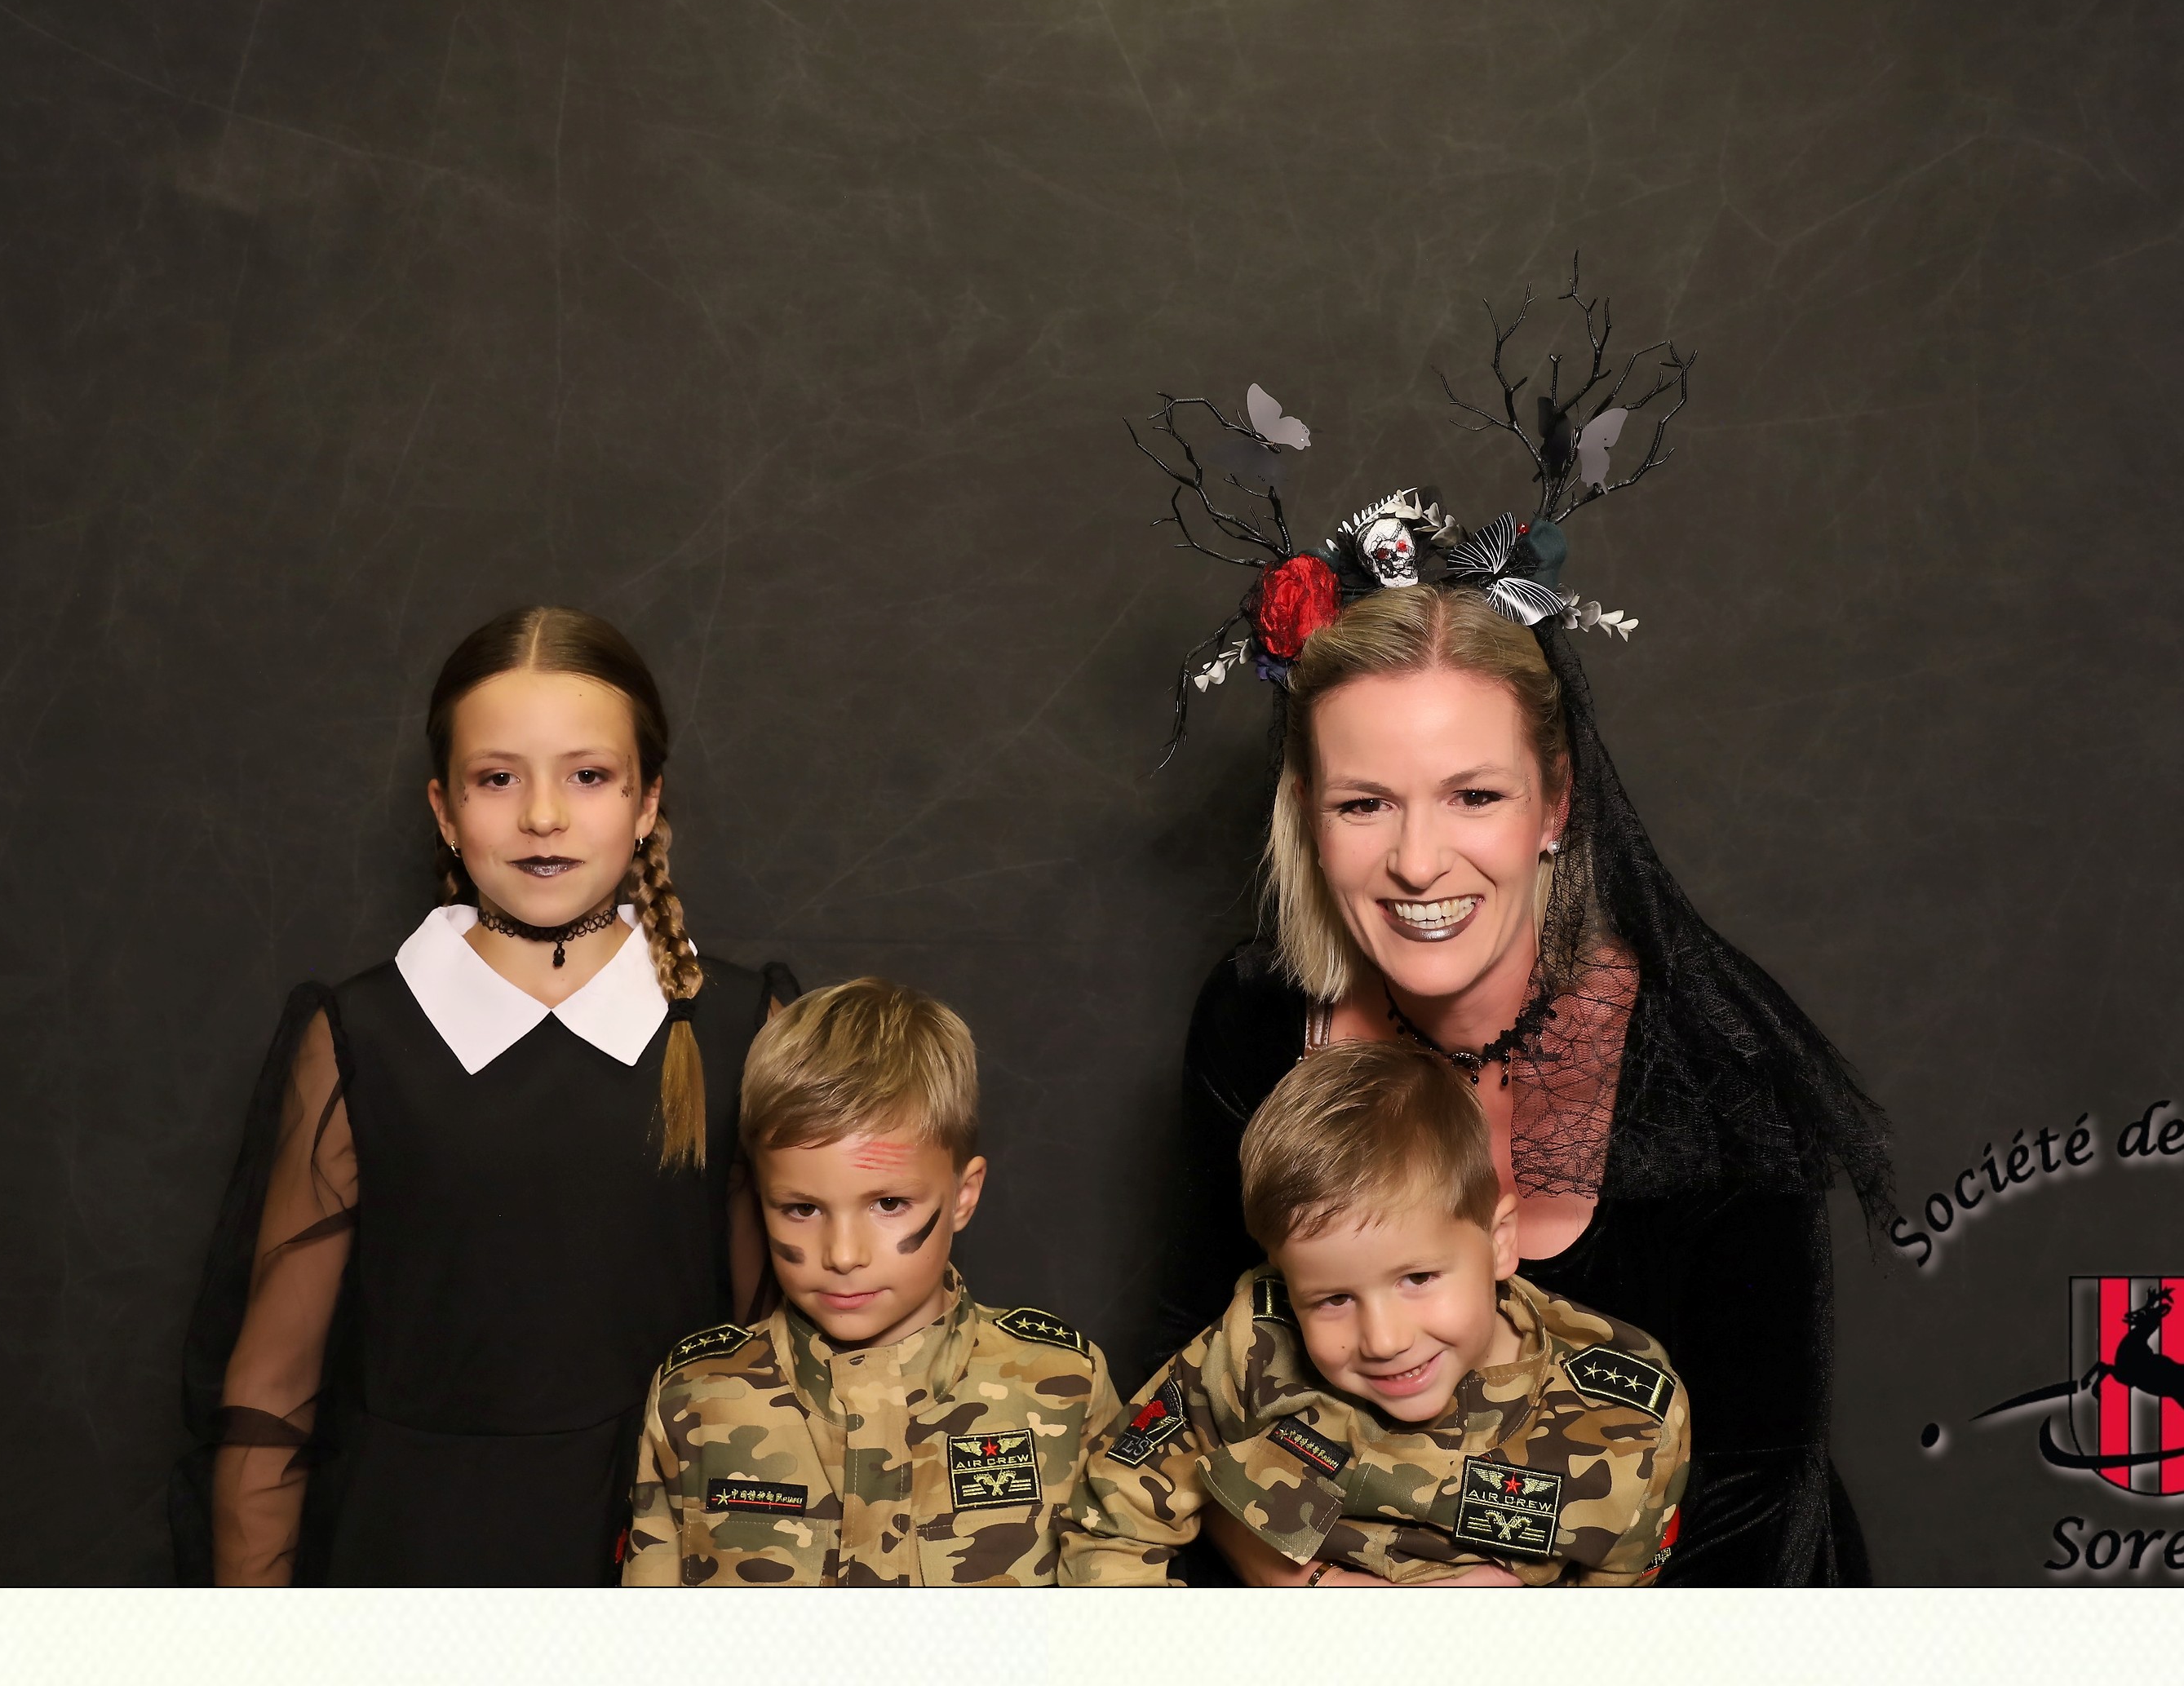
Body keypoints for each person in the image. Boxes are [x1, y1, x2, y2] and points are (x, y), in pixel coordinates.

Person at [1133, 339, 1894, 1586]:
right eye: (1365, 804)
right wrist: (1316, 1600)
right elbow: (1190, 1393)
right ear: (1307, 817)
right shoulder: (1256, 1025)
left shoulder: (1716, 1068)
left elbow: (1759, 1498)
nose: (1417, 862)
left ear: (1555, 803)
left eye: (1473, 796)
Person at [171, 605, 795, 1585]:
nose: (542, 816)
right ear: (444, 809)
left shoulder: (739, 1026)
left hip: (668, 1557)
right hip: (414, 1560)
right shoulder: (362, 1035)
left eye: (588, 776)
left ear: (646, 802)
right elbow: (270, 1392)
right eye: (498, 778)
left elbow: (791, 1364)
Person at [1064, 1040, 1688, 1586]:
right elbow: (1110, 1517)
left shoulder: (1628, 1423)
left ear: (1500, 1242)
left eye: (1418, 1279)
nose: (1384, 1340)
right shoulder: (1253, 1347)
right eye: (1334, 1299)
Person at [623, 978, 1119, 1586]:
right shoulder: (697, 1395)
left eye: (888, 1203)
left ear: (964, 1195)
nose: (843, 1254)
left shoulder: (1062, 1386)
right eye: (802, 1208)